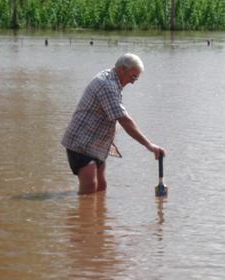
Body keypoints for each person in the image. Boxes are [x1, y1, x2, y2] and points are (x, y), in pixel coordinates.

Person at [62, 53, 165, 195]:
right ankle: (84, 216)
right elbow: (124, 120)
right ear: (122, 69)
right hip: (81, 143)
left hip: (97, 144)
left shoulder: (112, 78)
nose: (134, 82)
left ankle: (97, 216)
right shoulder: (107, 85)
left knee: (101, 186)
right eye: (133, 76)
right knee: (90, 188)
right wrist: (149, 145)